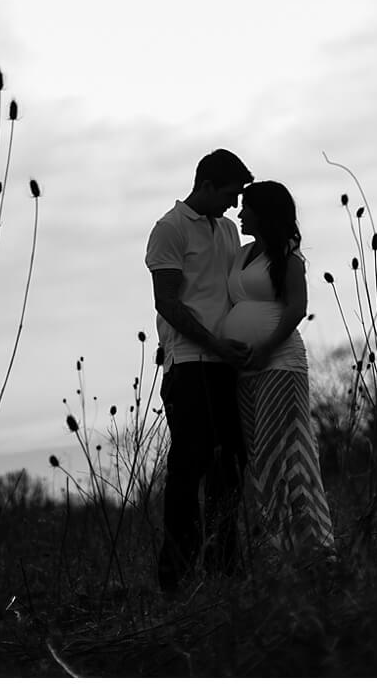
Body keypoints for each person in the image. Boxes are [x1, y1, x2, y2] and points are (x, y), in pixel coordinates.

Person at [145, 148, 254, 592]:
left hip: (228, 366)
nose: (234, 204)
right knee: (188, 467)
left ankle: (224, 565)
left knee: (231, 467)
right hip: (189, 365)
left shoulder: (228, 230)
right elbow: (167, 302)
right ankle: (177, 574)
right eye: (229, 194)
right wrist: (213, 344)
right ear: (206, 185)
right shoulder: (169, 229)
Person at [221, 180, 335, 556]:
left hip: (279, 365)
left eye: (247, 207)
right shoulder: (242, 254)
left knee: (274, 454)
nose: (240, 213)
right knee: (263, 457)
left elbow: (296, 308)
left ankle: (288, 548)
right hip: (244, 370)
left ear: (264, 211)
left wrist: (266, 348)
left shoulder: (286, 254)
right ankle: (296, 548)